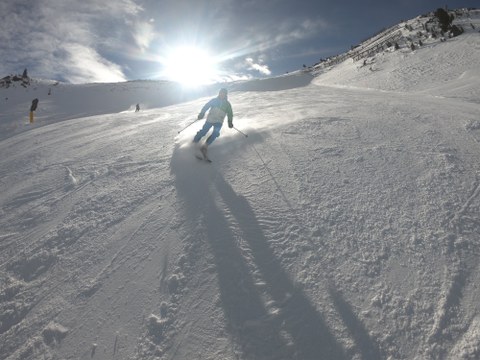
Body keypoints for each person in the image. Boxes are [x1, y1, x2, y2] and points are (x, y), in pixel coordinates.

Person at [193, 88, 233, 153]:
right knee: (204, 131)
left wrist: (230, 121)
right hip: (210, 119)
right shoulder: (214, 100)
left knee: (215, 133)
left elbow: (230, 113)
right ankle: (194, 142)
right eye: (221, 93)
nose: (222, 94)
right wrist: (202, 113)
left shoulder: (227, 104)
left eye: (224, 93)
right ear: (219, 93)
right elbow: (206, 106)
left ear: (226, 95)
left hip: (219, 121)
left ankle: (205, 146)